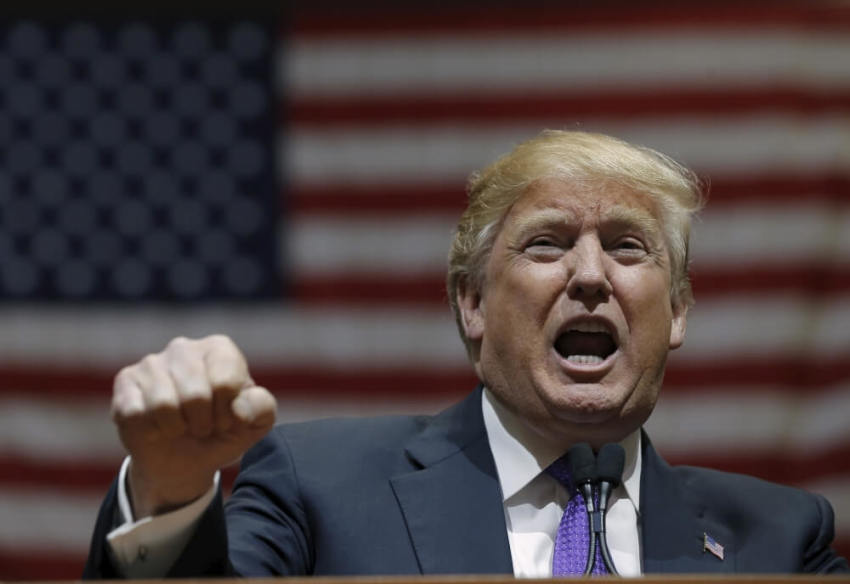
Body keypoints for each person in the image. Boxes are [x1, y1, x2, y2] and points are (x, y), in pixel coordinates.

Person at [83, 130, 848, 578]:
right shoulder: (318, 489)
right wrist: (174, 492)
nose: (590, 275)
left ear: (677, 311)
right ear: (472, 304)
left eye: (627, 247)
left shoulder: (781, 541)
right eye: (547, 243)